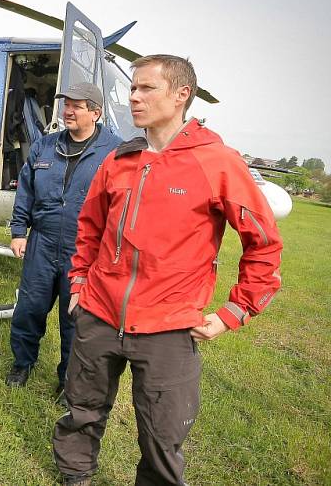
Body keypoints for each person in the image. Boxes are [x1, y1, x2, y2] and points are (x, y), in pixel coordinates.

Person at [52, 55, 283, 485]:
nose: (134, 97)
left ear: (181, 95)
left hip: (168, 327)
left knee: (161, 434)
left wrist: (236, 311)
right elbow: (89, 227)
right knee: (81, 410)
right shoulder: (120, 159)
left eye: (146, 89)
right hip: (99, 315)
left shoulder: (217, 161)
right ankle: (75, 475)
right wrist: (81, 281)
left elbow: (264, 243)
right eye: (133, 88)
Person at [6, 82, 121, 400]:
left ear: (96, 113)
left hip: (84, 250)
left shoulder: (115, 152)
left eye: (76, 106)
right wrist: (19, 231)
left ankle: (68, 379)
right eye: (65, 105)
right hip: (42, 243)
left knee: (76, 320)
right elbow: (26, 189)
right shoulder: (45, 145)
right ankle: (22, 363)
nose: (67, 111)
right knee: (29, 308)